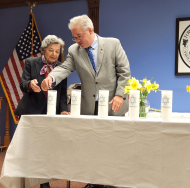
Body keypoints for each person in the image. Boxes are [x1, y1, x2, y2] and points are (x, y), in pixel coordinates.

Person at [41, 15, 131, 188]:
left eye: (79, 36)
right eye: (74, 37)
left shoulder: (113, 44)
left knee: (112, 145)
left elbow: (124, 72)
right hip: (90, 105)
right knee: (93, 145)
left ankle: (111, 183)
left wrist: (120, 95)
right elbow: (66, 67)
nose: (76, 40)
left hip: (113, 103)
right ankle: (94, 182)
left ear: (90, 30)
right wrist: (51, 77)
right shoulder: (74, 50)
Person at [15, 35, 70, 188]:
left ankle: (43, 182)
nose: (54, 54)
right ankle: (26, 180)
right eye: (51, 50)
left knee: (45, 149)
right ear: (43, 50)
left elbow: (63, 93)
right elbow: (22, 84)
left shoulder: (62, 67)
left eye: (57, 51)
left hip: (50, 113)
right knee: (29, 148)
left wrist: (64, 110)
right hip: (31, 112)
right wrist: (30, 84)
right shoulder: (31, 62)